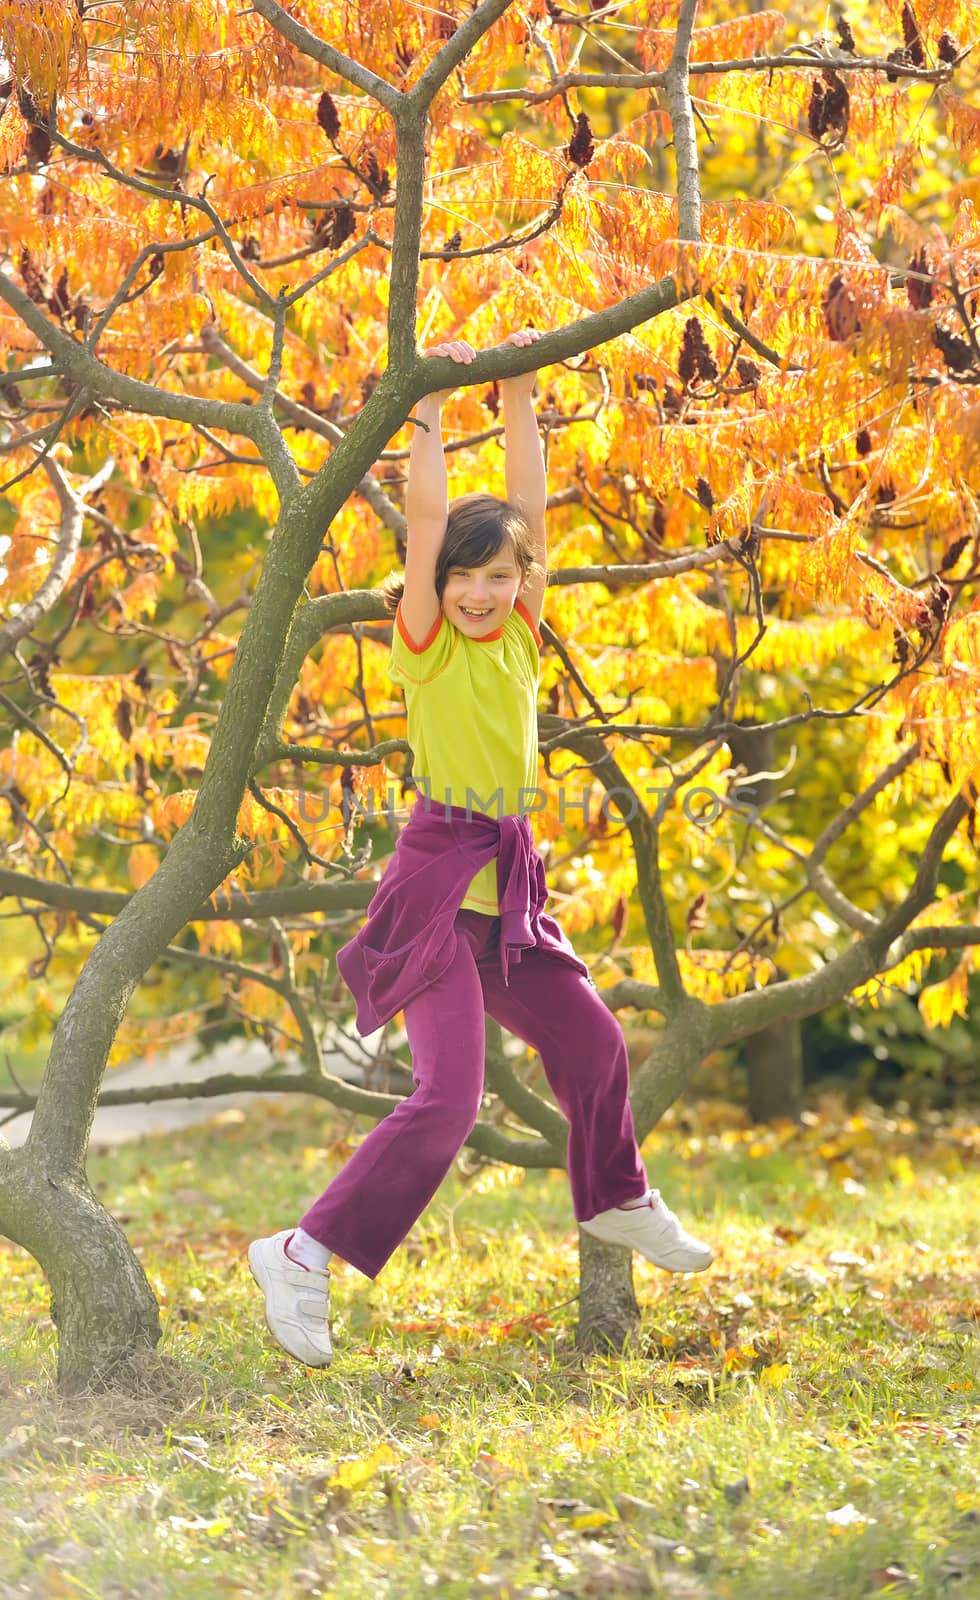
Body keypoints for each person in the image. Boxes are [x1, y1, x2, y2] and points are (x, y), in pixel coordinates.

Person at [248, 330, 714, 1367]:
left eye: (501, 576)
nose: (483, 592)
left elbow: (530, 505)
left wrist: (517, 388)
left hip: (509, 875)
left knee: (592, 1042)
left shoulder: (519, 631)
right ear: (439, 583)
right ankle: (303, 1249)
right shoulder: (423, 634)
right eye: (468, 576)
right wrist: (427, 399)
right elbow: (424, 518)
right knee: (447, 1099)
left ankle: (617, 1195)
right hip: (436, 874)